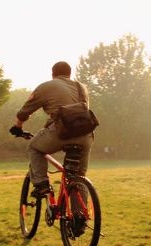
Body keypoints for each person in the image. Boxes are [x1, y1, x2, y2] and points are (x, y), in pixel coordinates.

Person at [11, 61, 94, 197]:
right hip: (86, 136)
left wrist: (18, 127)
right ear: (69, 74)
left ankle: (42, 184)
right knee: (78, 178)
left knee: (34, 148)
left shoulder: (47, 86)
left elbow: (24, 112)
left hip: (61, 132)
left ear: (53, 74)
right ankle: (79, 216)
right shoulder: (81, 87)